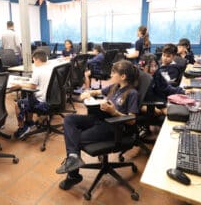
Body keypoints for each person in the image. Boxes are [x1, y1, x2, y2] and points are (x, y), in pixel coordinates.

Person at [56, 60, 139, 190]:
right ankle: (73, 157)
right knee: (69, 119)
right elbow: (99, 91)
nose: (111, 75)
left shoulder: (131, 93)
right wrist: (89, 93)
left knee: (76, 139)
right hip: (99, 118)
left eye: (114, 73)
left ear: (123, 76)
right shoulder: (115, 87)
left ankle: (73, 175)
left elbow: (132, 119)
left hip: (113, 126)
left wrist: (114, 112)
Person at [11, 49, 51, 139]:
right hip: (51, 99)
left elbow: (32, 86)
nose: (34, 63)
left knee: (18, 104)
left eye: (33, 61)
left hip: (41, 102)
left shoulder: (38, 70)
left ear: (36, 59)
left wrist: (19, 85)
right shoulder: (51, 68)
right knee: (28, 98)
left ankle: (22, 129)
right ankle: (30, 122)